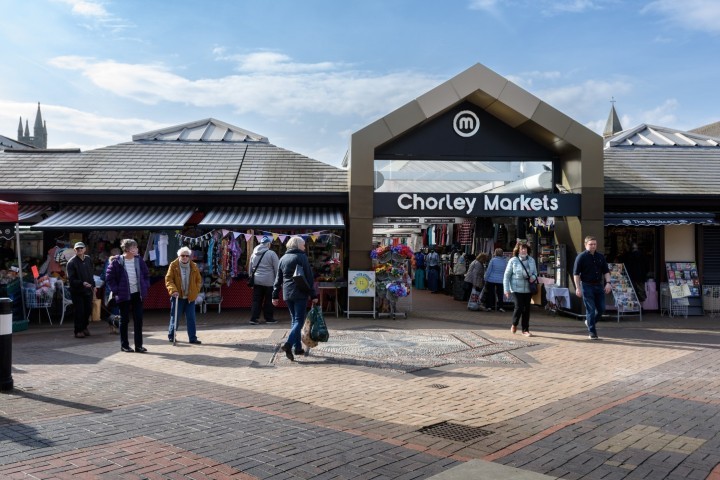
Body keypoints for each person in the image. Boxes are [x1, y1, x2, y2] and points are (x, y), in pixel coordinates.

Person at [272, 236, 319, 361]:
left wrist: (275, 294)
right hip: (300, 293)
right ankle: (288, 344)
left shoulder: (283, 258)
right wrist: (313, 295)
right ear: (298, 245)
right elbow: (309, 277)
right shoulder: (301, 257)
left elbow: (278, 279)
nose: (304, 247)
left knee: (294, 320)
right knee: (299, 320)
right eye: (303, 245)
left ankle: (297, 348)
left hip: (287, 293)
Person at [105, 239, 150, 353]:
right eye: (135, 248)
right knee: (124, 320)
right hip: (123, 294)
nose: (137, 250)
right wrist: (117, 290)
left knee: (138, 319)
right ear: (129, 249)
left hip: (137, 294)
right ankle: (124, 345)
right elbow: (109, 278)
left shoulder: (139, 260)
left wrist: (145, 285)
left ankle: (138, 346)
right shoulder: (117, 261)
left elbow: (146, 274)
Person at [573, 235, 612, 340]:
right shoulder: (581, 257)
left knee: (601, 309)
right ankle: (592, 332)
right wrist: (577, 288)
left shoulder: (600, 256)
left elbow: (606, 271)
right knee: (590, 310)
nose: (593, 246)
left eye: (594, 244)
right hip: (586, 285)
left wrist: (608, 283)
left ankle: (590, 322)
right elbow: (576, 274)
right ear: (585, 245)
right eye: (590, 244)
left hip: (598, 285)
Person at [165, 246, 203, 344]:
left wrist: (196, 290)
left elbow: (199, 280)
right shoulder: (173, 265)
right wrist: (173, 290)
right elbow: (169, 279)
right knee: (175, 317)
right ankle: (171, 335)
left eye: (187, 255)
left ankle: (192, 338)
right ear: (179, 256)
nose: (185, 257)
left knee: (191, 318)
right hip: (178, 297)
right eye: (183, 255)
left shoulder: (194, 266)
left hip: (190, 297)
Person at [503, 242, 538, 337]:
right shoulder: (513, 260)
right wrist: (506, 289)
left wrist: (533, 277)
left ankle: (525, 330)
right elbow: (506, 276)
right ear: (518, 250)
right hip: (515, 289)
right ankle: (514, 324)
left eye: (525, 248)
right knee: (519, 307)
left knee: (526, 309)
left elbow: (535, 273)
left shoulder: (531, 260)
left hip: (528, 289)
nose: (524, 250)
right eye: (522, 248)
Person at [66, 241, 96, 339]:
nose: (79, 250)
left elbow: (91, 273)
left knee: (88, 310)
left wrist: (94, 286)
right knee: (79, 311)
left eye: (81, 248)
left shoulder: (88, 259)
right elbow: (71, 279)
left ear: (85, 249)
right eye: (77, 249)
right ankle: (78, 330)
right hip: (77, 291)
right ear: (74, 250)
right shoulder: (71, 262)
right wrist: (82, 283)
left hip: (88, 290)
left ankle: (84, 327)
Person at [249, 235, 280, 325]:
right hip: (269, 281)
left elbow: (250, 268)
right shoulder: (271, 253)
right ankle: (269, 318)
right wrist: (278, 281)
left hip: (257, 281)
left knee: (256, 300)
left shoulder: (253, 253)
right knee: (268, 300)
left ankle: (254, 319)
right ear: (268, 244)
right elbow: (277, 268)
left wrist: (251, 279)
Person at [100, 247, 122, 331]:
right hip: (114, 291)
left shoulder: (109, 262)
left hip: (111, 290)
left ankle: (113, 326)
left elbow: (104, 276)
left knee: (112, 308)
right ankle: (116, 326)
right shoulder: (120, 262)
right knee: (116, 309)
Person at [485, 248, 508, 312]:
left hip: (491, 279)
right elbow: (505, 270)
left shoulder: (493, 260)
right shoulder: (504, 261)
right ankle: (501, 307)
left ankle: (489, 306)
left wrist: (486, 278)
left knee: (490, 293)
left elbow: (489, 270)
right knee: (500, 294)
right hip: (501, 280)